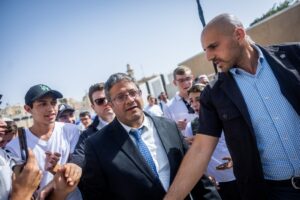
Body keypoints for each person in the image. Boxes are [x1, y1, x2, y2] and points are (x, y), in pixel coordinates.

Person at [164, 13, 300, 200]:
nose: (209, 56)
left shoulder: (294, 56)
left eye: (213, 46)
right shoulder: (214, 94)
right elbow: (201, 149)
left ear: (239, 34)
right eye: (205, 50)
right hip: (274, 193)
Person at [81, 73, 220, 200]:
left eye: (132, 93)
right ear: (110, 104)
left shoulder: (169, 127)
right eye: (121, 97)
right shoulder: (96, 146)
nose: (129, 100)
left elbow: (195, 175)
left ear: (140, 94)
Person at [6, 84, 82, 199]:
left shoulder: (70, 130)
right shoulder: (15, 147)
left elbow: (76, 166)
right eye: (43, 104)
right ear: (28, 109)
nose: (51, 109)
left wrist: (56, 168)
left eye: (53, 102)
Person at [184, 84, 241, 200]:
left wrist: (237, 160)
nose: (194, 104)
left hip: (240, 178)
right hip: (217, 186)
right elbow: (193, 159)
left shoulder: (228, 119)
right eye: (191, 101)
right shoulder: (191, 127)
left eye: (198, 99)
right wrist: (206, 177)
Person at [70, 82, 115, 168]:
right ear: (93, 107)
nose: (106, 102)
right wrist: (73, 169)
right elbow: (78, 160)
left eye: (108, 98)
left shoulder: (130, 121)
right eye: (100, 101)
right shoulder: (87, 136)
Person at [163, 66, 197, 132]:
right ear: (175, 83)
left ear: (192, 78)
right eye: (181, 80)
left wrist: (189, 126)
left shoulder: (204, 97)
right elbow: (170, 132)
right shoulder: (168, 107)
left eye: (188, 78)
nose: (185, 83)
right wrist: (176, 128)